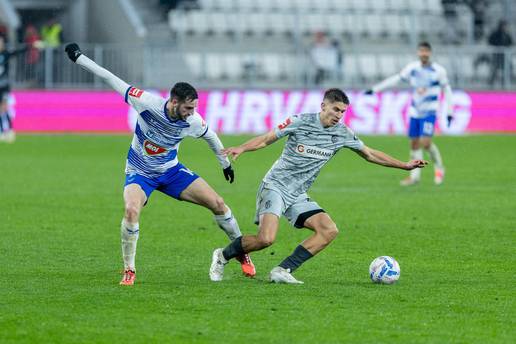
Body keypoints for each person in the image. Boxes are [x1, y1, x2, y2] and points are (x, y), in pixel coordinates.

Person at [64, 43, 255, 286]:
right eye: (188, 107)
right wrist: (79, 58)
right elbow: (110, 77)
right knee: (132, 210)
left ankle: (241, 251)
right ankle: (129, 269)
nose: (192, 112)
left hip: (171, 172)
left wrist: (224, 164)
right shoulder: (145, 102)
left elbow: (211, 136)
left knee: (218, 203)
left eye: (194, 107)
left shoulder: (192, 121)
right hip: (139, 173)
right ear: (174, 101)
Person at [209, 88, 427, 284]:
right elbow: (266, 139)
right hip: (275, 185)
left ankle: (283, 269)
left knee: (328, 230)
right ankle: (222, 255)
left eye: (343, 112)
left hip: (297, 193)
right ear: (323, 106)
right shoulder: (299, 121)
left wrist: (404, 165)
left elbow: (369, 154)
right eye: (335, 110)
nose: (339, 115)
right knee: (266, 239)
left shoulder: (342, 133)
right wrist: (243, 148)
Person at [365, 42, 453, 186]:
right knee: (414, 144)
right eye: (421, 51)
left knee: (426, 143)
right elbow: (396, 79)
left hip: (429, 111)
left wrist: (450, 111)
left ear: (430, 53)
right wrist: (376, 89)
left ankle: (439, 168)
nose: (424, 53)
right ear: (418, 53)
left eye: (426, 51)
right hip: (415, 112)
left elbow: (447, 90)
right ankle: (415, 177)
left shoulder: (439, 71)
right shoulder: (412, 68)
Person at [0, 35, 29, 143]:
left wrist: (28, 46)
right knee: (1, 109)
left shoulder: (6, 54)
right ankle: (2, 131)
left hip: (4, 85)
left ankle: (10, 130)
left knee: (4, 107)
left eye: (1, 42)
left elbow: (16, 52)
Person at [487, 20, 513, 87]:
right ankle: (491, 83)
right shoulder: (495, 34)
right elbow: (490, 41)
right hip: (497, 55)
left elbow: (511, 43)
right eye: (504, 25)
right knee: (494, 69)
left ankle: (505, 83)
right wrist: (498, 46)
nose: (505, 27)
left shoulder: (507, 35)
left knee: (508, 68)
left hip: (505, 56)